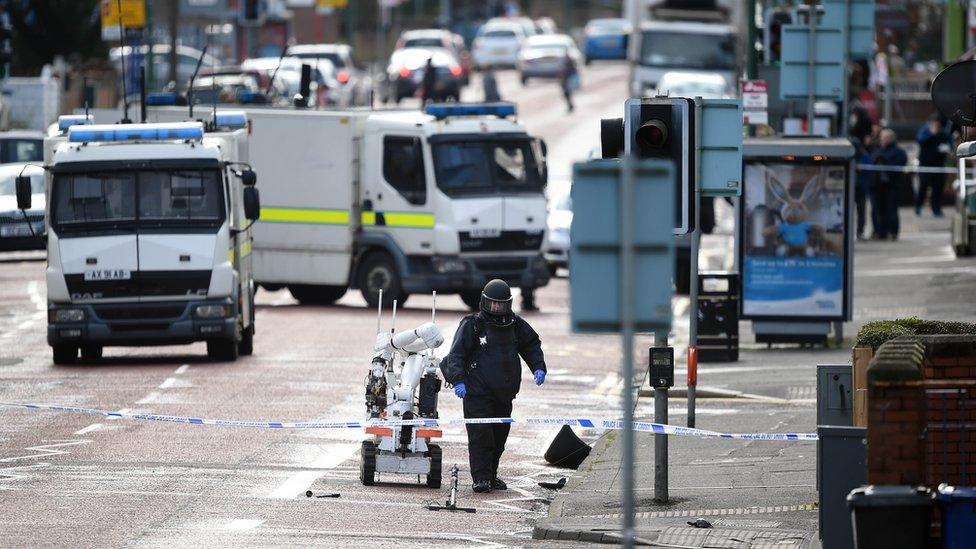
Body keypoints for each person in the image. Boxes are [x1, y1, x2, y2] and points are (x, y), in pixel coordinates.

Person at [440, 279, 547, 493]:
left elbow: (531, 345)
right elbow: (456, 354)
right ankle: (480, 478)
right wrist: (458, 380)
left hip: (504, 393)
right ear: (484, 303)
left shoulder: (515, 325)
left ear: (508, 304)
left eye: (501, 305)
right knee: (480, 437)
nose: (497, 309)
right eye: (493, 304)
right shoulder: (473, 325)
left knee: (499, 438)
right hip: (477, 393)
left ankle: (491, 475)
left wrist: (538, 367)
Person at [870, 128, 908, 240]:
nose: (883, 140)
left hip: (892, 185)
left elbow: (900, 163)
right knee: (877, 210)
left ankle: (893, 232)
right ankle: (879, 232)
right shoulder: (876, 151)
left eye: (885, 138)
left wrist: (885, 160)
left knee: (891, 210)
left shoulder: (898, 152)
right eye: (882, 138)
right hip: (877, 186)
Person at [915, 115, 952, 217]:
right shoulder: (925, 131)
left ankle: (936, 209)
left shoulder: (944, 133)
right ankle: (918, 206)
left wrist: (947, 148)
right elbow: (920, 140)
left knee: (937, 189)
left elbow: (950, 143)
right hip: (925, 165)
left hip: (939, 165)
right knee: (923, 187)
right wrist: (932, 134)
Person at [852, 135, 873, 240]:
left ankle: (860, 231)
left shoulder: (864, 156)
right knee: (847, 211)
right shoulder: (849, 156)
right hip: (850, 188)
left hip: (861, 188)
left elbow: (869, 169)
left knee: (861, 212)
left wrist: (860, 168)